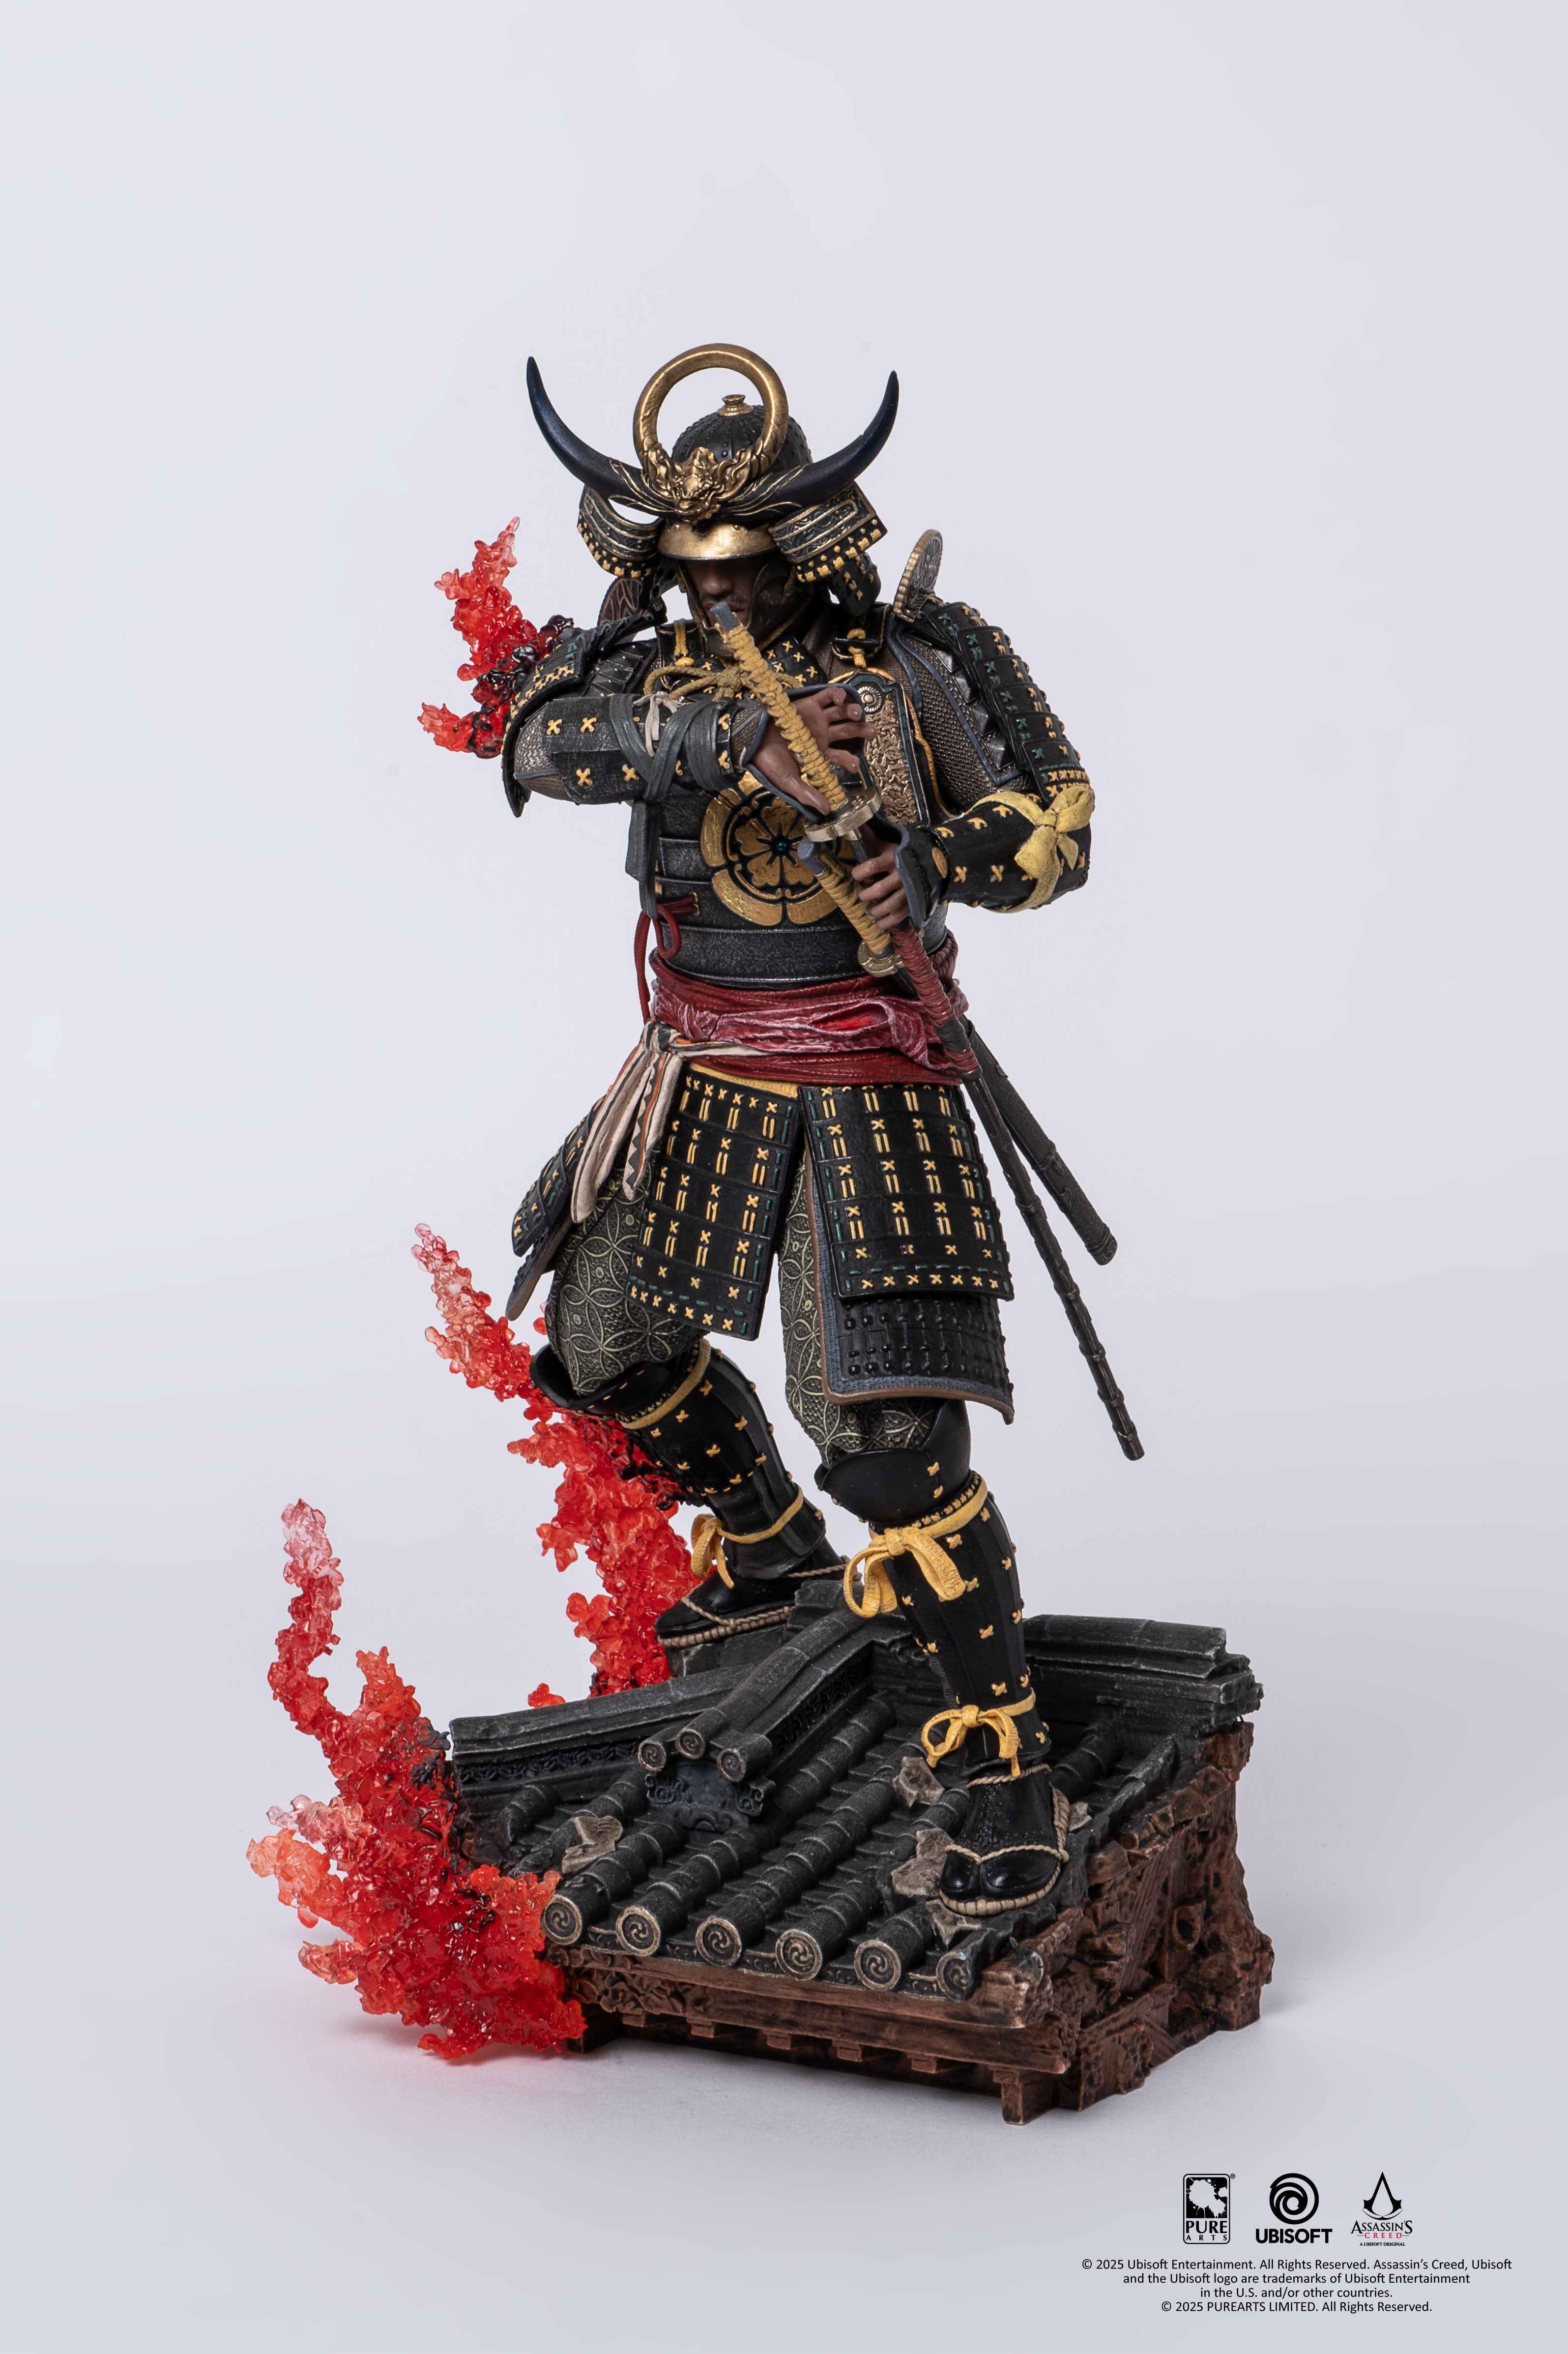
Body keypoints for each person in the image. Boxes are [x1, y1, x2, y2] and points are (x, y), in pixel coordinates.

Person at [500, 345, 1097, 1917]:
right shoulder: (641, 669)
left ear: (808, 546)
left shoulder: (910, 661)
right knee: (603, 1347)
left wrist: (932, 854)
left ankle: (1001, 1755)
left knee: (892, 1450)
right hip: (695, 1067)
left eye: (747, 567)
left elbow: (1057, 820)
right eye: (695, 569)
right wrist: (724, 741)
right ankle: (767, 1551)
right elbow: (537, 741)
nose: (720, 597)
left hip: (866, 1080)